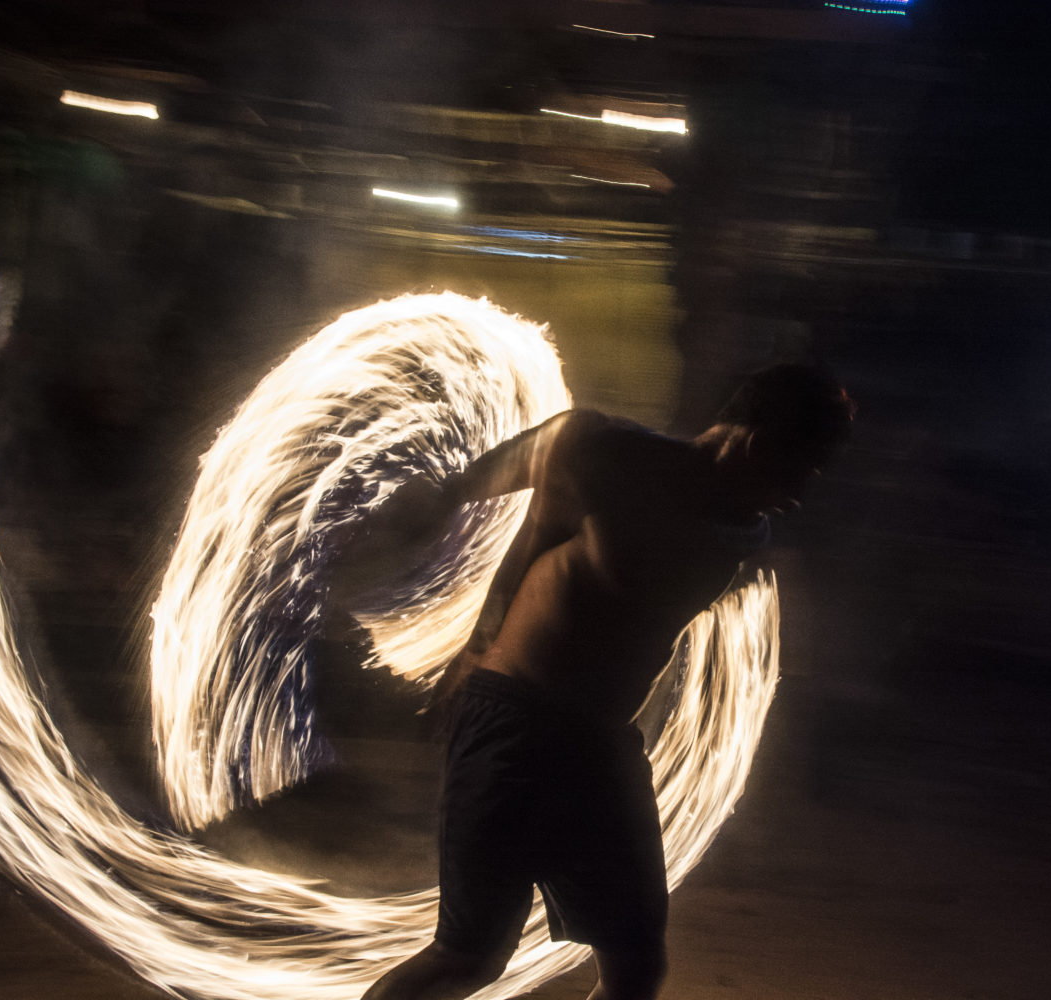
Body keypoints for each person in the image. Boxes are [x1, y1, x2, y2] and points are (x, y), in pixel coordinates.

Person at [339, 364, 853, 1000]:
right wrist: (417, 533)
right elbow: (490, 490)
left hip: (601, 748)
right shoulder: (608, 454)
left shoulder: (747, 531)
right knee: (469, 957)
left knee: (635, 965)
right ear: (756, 444)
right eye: (801, 467)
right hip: (516, 729)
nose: (800, 493)